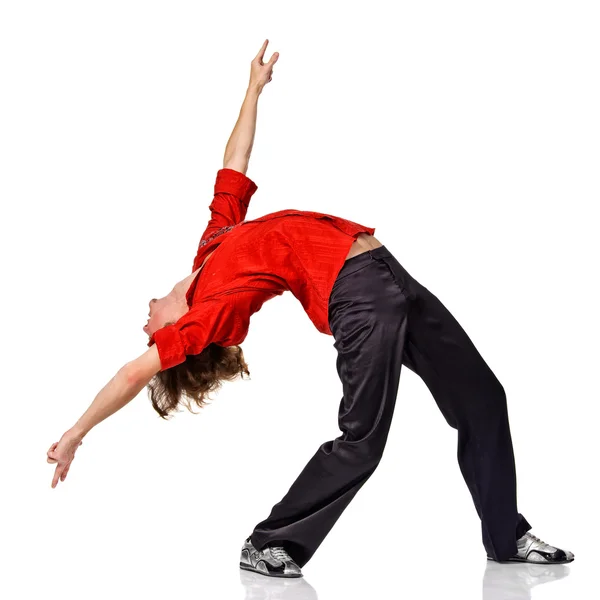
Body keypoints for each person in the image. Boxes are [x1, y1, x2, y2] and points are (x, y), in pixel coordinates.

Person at [47, 39, 575, 578]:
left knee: (484, 398)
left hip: (391, 277)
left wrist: (252, 89)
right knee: (363, 440)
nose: (145, 320)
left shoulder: (212, 244)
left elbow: (234, 163)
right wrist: (75, 434)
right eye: (148, 332)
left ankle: (506, 537)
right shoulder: (209, 314)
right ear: (174, 332)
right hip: (357, 297)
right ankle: (270, 542)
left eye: (146, 327)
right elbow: (134, 374)